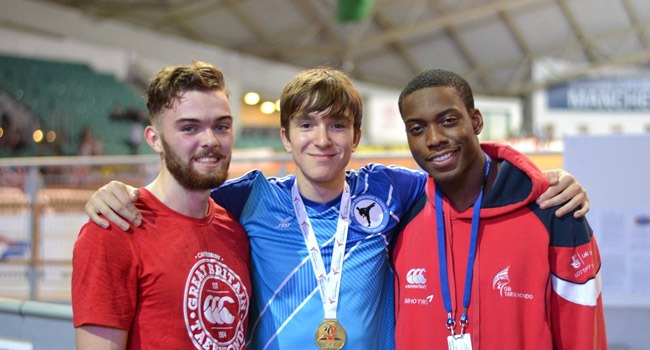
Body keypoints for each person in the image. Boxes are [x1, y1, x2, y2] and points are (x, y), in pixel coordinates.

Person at [84, 67, 590, 350]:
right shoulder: (249, 198)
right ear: (285, 136)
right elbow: (181, 196)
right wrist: (121, 193)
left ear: (357, 138)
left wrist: (547, 181)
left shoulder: (393, 191)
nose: (322, 141)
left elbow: (458, 170)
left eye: (337, 126)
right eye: (306, 125)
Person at [392, 69, 606, 349]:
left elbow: (583, 331)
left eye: (448, 121)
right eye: (417, 129)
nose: (434, 139)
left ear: (476, 121)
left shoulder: (554, 209)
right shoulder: (399, 218)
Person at [71, 62, 251, 350]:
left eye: (221, 126)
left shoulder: (235, 230)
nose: (210, 140)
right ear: (155, 140)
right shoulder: (114, 228)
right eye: (190, 128)